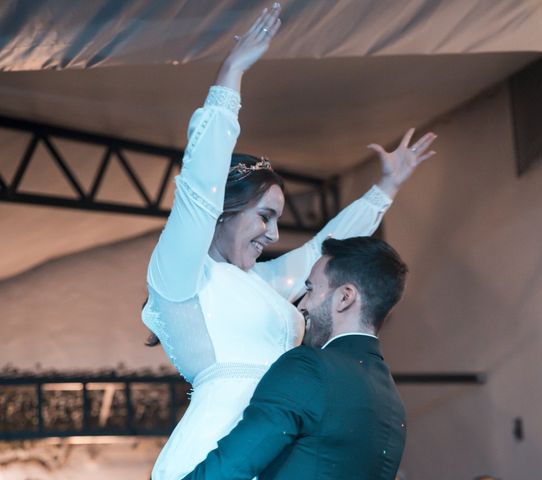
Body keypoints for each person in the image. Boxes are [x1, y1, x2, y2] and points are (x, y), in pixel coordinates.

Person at [142, 4, 436, 479]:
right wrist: (230, 77)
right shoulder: (182, 275)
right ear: (222, 210)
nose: (274, 234)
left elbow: (327, 249)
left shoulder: (264, 280)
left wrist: (385, 190)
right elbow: (197, 189)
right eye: (265, 216)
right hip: (216, 452)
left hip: (279, 447)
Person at [184, 236, 408, 480]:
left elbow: (232, 466)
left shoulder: (309, 367)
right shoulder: (394, 405)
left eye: (310, 290)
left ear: (345, 297)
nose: (301, 305)